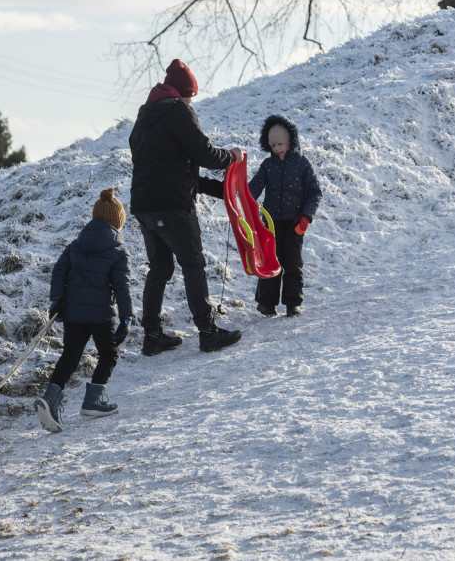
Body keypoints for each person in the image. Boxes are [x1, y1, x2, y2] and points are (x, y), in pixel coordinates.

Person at [128, 58, 244, 355]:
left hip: (144, 205)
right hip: (172, 206)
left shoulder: (144, 117)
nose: (193, 101)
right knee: (193, 264)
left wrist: (222, 191)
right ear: (184, 92)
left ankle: (152, 336)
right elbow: (204, 153)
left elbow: (173, 169)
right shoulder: (178, 111)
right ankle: (208, 332)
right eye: (192, 95)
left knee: (160, 268)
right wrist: (231, 157)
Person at [35, 187, 133, 433]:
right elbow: (122, 285)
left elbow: (59, 271)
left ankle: (50, 398)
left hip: (74, 313)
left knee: (70, 356)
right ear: (117, 222)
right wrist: (126, 317)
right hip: (101, 315)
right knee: (109, 353)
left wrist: (57, 300)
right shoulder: (118, 251)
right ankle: (93, 401)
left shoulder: (75, 245)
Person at [248, 115, 322, 317]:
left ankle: (292, 302)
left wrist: (306, 216)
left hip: (295, 221)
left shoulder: (301, 163)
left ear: (290, 141)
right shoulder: (267, 165)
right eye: (273, 145)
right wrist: (243, 197)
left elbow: (315, 192)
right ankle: (266, 303)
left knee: (292, 261)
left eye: (280, 143)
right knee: (270, 260)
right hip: (271, 222)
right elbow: (254, 188)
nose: (277, 148)